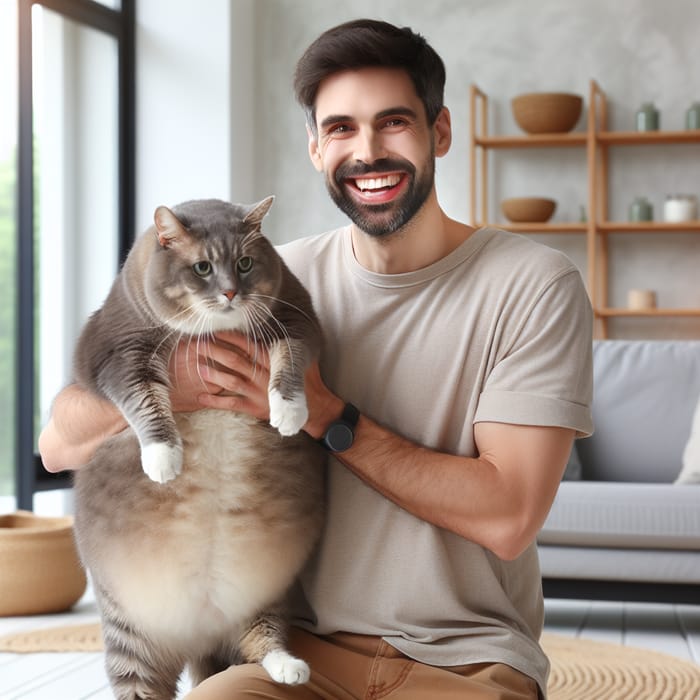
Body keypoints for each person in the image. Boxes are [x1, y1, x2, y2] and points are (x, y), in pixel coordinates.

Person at [39, 18, 593, 700]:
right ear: (314, 146)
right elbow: (58, 443)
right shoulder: (264, 285)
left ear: (439, 132)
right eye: (340, 129)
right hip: (292, 655)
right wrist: (175, 389)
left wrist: (329, 416)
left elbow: (509, 519)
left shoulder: (534, 283)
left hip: (466, 662)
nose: (368, 151)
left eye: (394, 123)